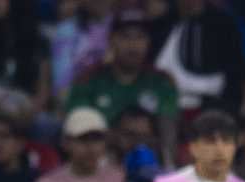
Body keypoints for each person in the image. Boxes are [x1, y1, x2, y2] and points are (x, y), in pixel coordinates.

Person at [65, 10, 179, 166]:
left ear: (148, 42)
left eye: (140, 37)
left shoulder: (162, 82)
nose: (133, 45)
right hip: (100, 160)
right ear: (111, 40)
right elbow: (78, 128)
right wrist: (121, 138)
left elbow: (168, 131)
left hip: (150, 159)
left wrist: (166, 162)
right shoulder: (89, 80)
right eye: (125, 36)